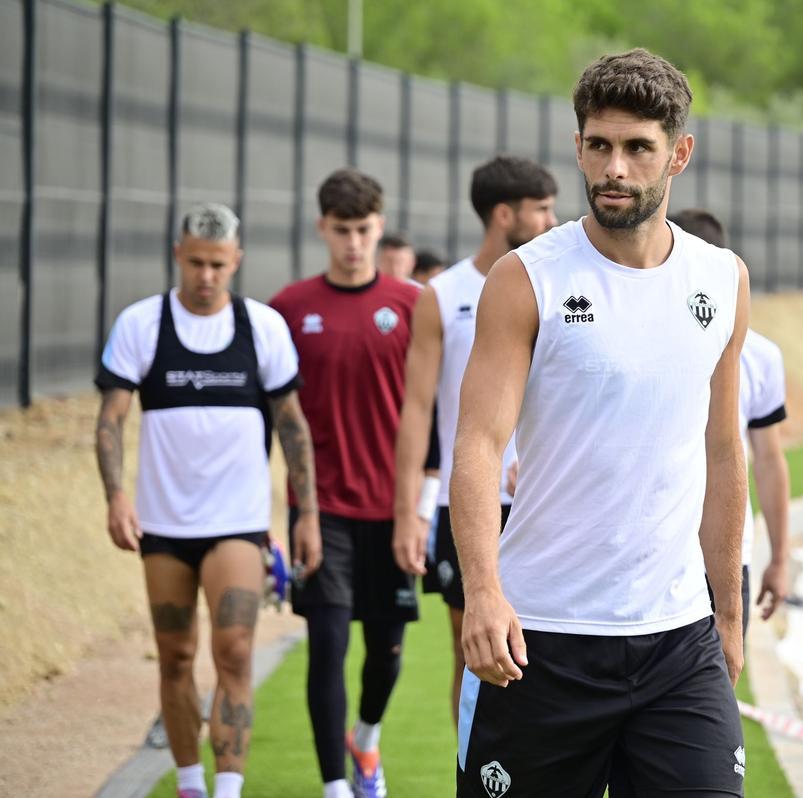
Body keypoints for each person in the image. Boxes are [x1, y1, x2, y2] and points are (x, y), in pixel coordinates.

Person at [450, 49, 750, 796]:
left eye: (638, 148)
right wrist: (484, 592)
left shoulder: (723, 278)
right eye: (599, 145)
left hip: (678, 643)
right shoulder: (526, 280)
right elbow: (479, 446)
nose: (614, 167)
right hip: (542, 637)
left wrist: (730, 614)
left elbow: (722, 453)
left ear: (678, 154)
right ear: (578, 146)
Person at [94, 203, 319, 798]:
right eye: (196, 262)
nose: (206, 276)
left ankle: (228, 790)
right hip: (164, 527)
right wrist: (116, 496)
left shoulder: (262, 327)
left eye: (218, 264)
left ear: (236, 261)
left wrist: (308, 514)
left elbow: (293, 427)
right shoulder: (142, 325)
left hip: (237, 525)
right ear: (178, 256)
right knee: (174, 656)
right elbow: (111, 420)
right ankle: (190, 783)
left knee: (235, 652)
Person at [269, 169, 421, 798]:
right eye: (342, 231)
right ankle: (337, 786)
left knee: (385, 653)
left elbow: (430, 414)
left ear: (379, 227)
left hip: (394, 508)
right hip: (320, 509)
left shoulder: (413, 306)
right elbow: (275, 420)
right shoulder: (287, 310)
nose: (353, 243)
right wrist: (284, 517)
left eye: (364, 230)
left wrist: (418, 509)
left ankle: (365, 736)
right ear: (321, 229)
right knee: (327, 645)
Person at [392, 156, 558, 727]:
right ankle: (471, 775)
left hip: (546, 503)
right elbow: (416, 409)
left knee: (551, 658)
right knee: (474, 656)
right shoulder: (441, 295)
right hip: (465, 503)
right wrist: (408, 512)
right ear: (504, 213)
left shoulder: (556, 285)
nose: (552, 220)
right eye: (541, 209)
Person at [670, 208, 792, 630]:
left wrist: (778, 559)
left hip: (724, 554)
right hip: (655, 553)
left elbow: (769, 459)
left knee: (718, 686)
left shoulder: (761, 356)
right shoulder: (638, 338)